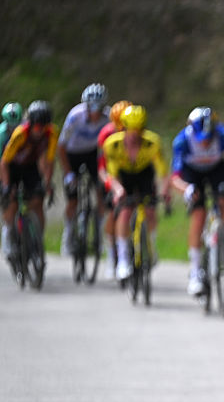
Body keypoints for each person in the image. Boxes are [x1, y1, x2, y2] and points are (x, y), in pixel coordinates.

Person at [170, 106, 224, 296]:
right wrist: (186, 189)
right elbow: (174, 178)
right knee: (199, 215)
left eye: (209, 139)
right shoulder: (182, 141)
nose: (205, 144)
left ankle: (220, 237)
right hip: (192, 174)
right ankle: (195, 272)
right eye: (201, 140)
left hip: (216, 170)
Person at [99, 103, 170, 282]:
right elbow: (110, 173)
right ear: (123, 128)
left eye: (138, 130)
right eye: (130, 130)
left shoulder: (152, 142)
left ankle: (151, 247)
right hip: (123, 177)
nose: (134, 134)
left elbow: (163, 171)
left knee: (151, 210)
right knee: (124, 213)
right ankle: (122, 260)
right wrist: (118, 190)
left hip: (144, 174)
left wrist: (165, 191)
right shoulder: (112, 144)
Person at [57, 83, 109, 256]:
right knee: (73, 200)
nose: (95, 111)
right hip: (72, 154)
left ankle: (100, 238)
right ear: (86, 105)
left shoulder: (107, 117)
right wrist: (68, 173)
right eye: (91, 106)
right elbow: (61, 147)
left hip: (92, 154)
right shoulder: (75, 116)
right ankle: (69, 236)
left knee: (101, 192)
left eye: (98, 107)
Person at [1, 100, 57, 259]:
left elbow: (49, 160)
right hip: (11, 167)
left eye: (43, 126)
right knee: (11, 202)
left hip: (30, 167)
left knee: (38, 199)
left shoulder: (51, 133)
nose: (40, 131)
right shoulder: (20, 133)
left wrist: (47, 183)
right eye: (37, 127)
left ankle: (37, 239)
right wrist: (6, 186)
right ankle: (9, 236)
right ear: (30, 124)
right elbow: (4, 162)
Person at [96, 100, 131, 278]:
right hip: (111, 174)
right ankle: (111, 255)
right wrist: (113, 186)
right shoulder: (106, 134)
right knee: (111, 213)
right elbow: (102, 168)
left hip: (132, 172)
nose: (122, 130)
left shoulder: (136, 131)